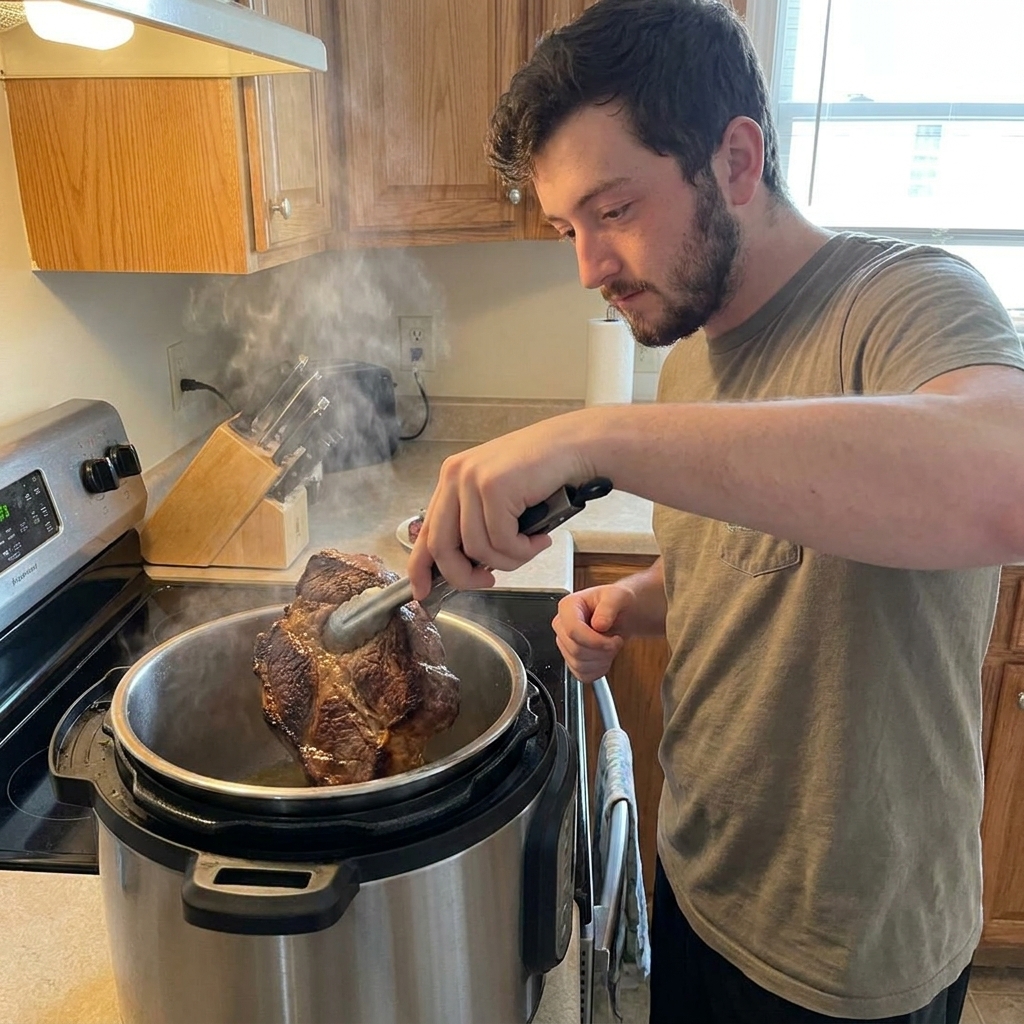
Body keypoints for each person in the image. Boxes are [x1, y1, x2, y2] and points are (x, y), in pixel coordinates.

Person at [406, 1, 1024, 1021]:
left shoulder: (906, 298)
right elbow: (756, 562)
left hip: (852, 956)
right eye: (568, 227)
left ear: (736, 161)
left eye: (611, 210)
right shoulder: (688, 348)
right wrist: (637, 604)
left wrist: (593, 435)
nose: (587, 267)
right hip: (699, 888)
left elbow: (1004, 480)